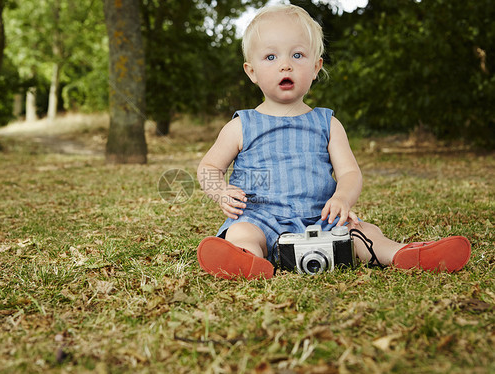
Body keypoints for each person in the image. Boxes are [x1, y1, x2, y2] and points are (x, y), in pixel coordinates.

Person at [196, 4, 471, 280]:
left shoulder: (327, 123)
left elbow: (349, 172)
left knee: (363, 232)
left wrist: (342, 198)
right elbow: (208, 167)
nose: (285, 64)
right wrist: (220, 191)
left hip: (322, 220)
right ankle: (247, 259)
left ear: (316, 68)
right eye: (270, 56)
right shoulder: (241, 126)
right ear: (251, 71)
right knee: (240, 232)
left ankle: (404, 254)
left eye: (298, 55)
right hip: (260, 218)